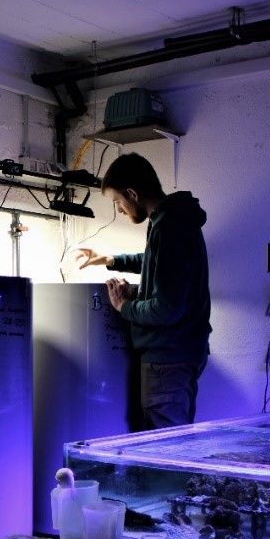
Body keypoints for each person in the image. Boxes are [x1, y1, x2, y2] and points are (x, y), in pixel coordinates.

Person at [76, 153, 211, 430]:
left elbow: (165, 308)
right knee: (174, 439)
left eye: (118, 202)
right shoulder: (174, 219)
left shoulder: (169, 227)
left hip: (166, 360)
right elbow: (156, 262)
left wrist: (124, 306)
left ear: (132, 194)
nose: (120, 210)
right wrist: (110, 260)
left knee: (165, 446)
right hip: (182, 353)